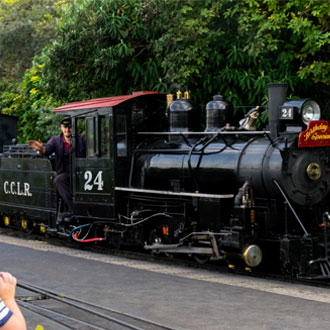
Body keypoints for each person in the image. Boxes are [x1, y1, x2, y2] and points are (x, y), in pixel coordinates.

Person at [28, 117, 86, 217]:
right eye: (65, 127)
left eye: (69, 127)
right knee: (58, 180)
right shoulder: (55, 140)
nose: (67, 130)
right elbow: (47, 150)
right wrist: (41, 149)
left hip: (82, 172)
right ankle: (74, 210)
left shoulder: (82, 139)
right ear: (61, 128)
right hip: (65, 173)